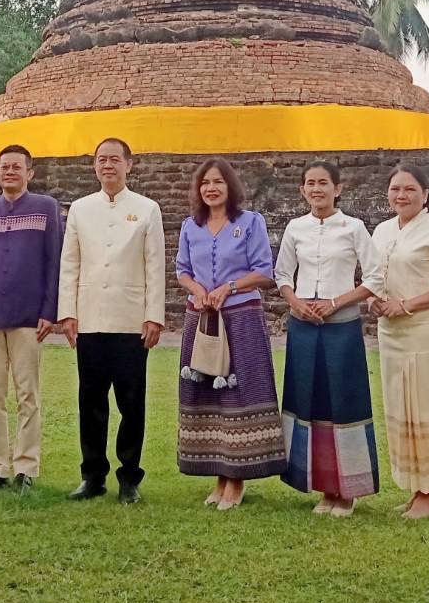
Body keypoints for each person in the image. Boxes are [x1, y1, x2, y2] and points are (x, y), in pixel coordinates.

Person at [57, 137, 165, 505]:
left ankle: (129, 477)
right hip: (89, 318)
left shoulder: (147, 209)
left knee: (131, 402)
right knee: (90, 401)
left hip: (131, 319)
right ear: (95, 166)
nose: (108, 166)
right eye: (102, 160)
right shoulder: (80, 208)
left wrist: (154, 316)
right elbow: (70, 263)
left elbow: (154, 266)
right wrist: (67, 312)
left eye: (115, 160)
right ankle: (92, 475)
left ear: (129, 165)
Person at [174, 158, 286, 510]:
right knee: (205, 391)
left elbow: (264, 271)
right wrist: (198, 289)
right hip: (202, 317)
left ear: (230, 186)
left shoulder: (250, 223)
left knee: (239, 392)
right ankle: (218, 474)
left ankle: (237, 478)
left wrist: (229, 287)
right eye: (205, 182)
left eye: (218, 182)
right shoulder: (191, 226)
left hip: (240, 318)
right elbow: (181, 270)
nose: (211, 188)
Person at [275, 161, 383, 516]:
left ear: (338, 189)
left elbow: (375, 276)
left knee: (344, 400)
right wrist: (296, 303)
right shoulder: (296, 228)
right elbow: (282, 274)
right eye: (310, 183)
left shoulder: (353, 228)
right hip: (303, 326)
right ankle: (323, 486)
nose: (316, 189)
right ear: (302, 190)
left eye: (323, 183)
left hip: (342, 326)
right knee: (309, 400)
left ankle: (347, 489)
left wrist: (336, 302)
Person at [0, 144, 63, 494]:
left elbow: (54, 263)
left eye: (17, 167)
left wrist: (50, 311)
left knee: (27, 394)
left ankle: (26, 467)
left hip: (28, 316)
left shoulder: (45, 209)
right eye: (4, 167)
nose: (10, 172)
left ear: (30, 173)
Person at [370, 163, 429, 519]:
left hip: (426, 328)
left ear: (425, 195)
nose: (402, 195)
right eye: (396, 189)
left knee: (428, 404)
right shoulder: (381, 231)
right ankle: (416, 487)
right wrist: (374, 301)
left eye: (410, 189)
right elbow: (371, 274)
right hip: (391, 331)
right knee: (400, 405)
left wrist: (406, 305)